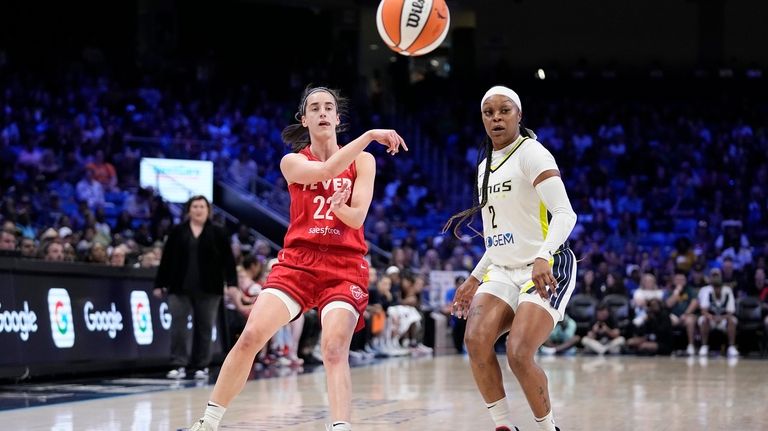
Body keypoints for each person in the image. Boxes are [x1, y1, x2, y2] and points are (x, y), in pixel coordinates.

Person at [185, 86, 406, 431]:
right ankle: (208, 422)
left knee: (333, 349)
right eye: (314, 108)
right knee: (250, 336)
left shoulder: (364, 161)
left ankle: (341, 428)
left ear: (336, 117)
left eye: (328, 107)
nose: (321, 112)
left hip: (344, 266)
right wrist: (369, 135)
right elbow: (323, 172)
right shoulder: (293, 161)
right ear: (304, 119)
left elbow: (358, 219)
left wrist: (340, 207)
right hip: (298, 263)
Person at [443, 86, 577, 431]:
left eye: (504, 111)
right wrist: (474, 277)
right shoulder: (484, 166)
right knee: (474, 340)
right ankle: (504, 426)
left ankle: (548, 428)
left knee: (518, 352)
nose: (496, 118)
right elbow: (498, 236)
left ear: (519, 115)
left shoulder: (533, 153)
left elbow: (566, 214)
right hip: (502, 268)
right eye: (489, 112)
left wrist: (544, 255)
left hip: (548, 266)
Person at [153, 195, 238, 380]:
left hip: (209, 288)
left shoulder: (218, 232)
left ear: (208, 211)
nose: (198, 210)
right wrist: (160, 283)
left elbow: (228, 261)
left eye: (202, 206)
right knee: (178, 328)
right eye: (195, 206)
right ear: (189, 210)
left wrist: (232, 284)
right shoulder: (177, 231)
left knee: (205, 328)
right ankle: (178, 364)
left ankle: (201, 365)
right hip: (179, 287)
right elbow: (166, 260)